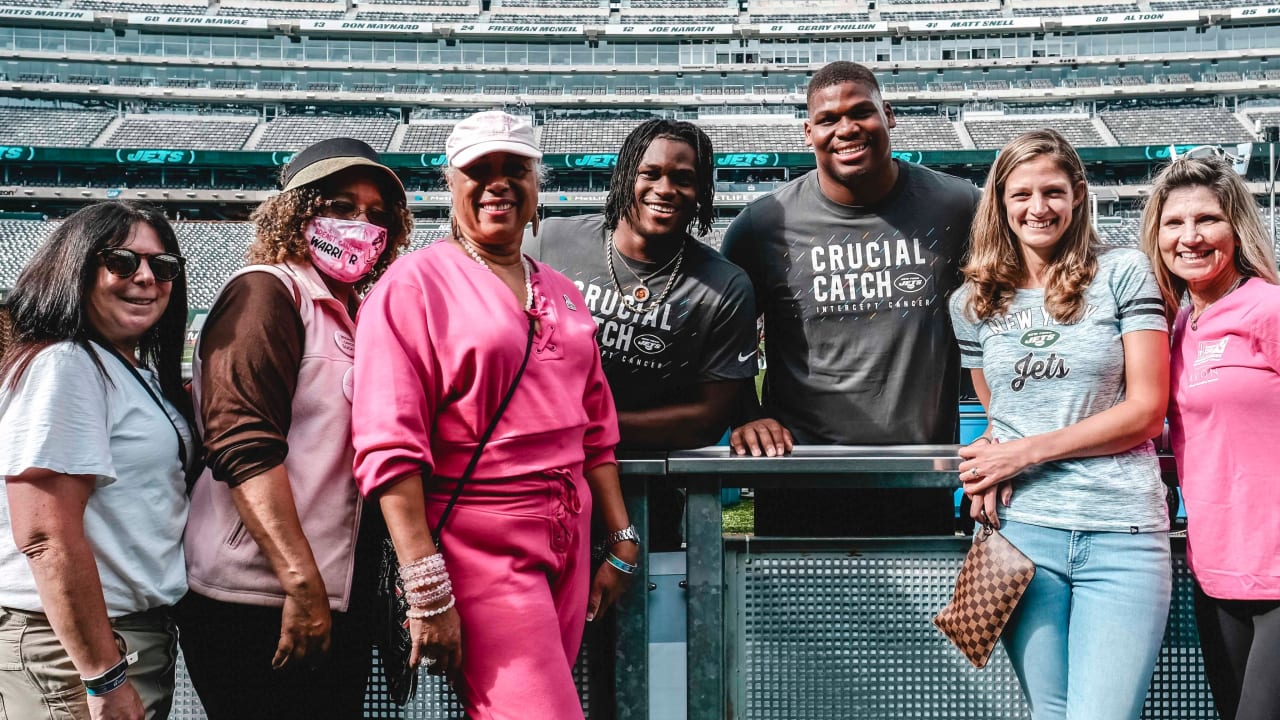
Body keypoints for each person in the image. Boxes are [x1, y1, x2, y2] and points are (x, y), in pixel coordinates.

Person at [351, 110, 637, 720]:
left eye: (516, 170)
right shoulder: (412, 286)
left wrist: (620, 538)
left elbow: (596, 429)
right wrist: (427, 590)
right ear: (450, 186)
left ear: (538, 188)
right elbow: (389, 448)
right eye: (480, 171)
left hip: (568, 537)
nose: (499, 183)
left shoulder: (561, 288)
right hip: (480, 541)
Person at [177, 138, 411, 719]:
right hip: (262, 596)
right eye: (340, 205)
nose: (362, 223)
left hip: (328, 592)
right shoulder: (266, 293)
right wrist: (301, 582)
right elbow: (242, 443)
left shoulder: (351, 309)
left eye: (377, 213)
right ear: (297, 209)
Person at [950, 130, 1171, 720]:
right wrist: (992, 458)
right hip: (1021, 537)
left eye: (1052, 191)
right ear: (1000, 203)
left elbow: (1147, 409)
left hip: (1119, 531)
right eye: (1020, 194)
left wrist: (1020, 455)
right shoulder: (973, 302)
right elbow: (1002, 415)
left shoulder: (1123, 272)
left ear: (1077, 194)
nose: (1037, 208)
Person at [720, 60, 981, 536]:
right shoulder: (761, 227)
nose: (846, 129)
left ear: (890, 115)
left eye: (861, 112)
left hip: (917, 476)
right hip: (799, 476)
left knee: (919, 614)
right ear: (807, 132)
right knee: (788, 614)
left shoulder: (958, 206)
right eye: (828, 119)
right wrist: (747, 413)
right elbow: (720, 341)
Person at [0, 201, 193, 720]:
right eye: (123, 262)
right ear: (77, 267)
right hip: (79, 649)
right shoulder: (67, 364)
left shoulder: (118, 364)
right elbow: (45, 535)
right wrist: (104, 676)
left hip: (117, 637)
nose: (147, 278)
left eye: (163, 265)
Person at [527, 118, 758, 549]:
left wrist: (584, 430)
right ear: (625, 177)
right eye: (650, 173)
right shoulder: (549, 243)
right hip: (539, 487)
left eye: (683, 179)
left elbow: (707, 420)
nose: (665, 188)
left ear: (702, 192)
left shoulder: (725, 287)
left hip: (649, 496)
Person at [1140, 153, 1280, 720]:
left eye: (1208, 220)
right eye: (1175, 223)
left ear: (1236, 227)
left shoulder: (1268, 307)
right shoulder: (1173, 325)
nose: (1190, 237)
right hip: (1216, 567)